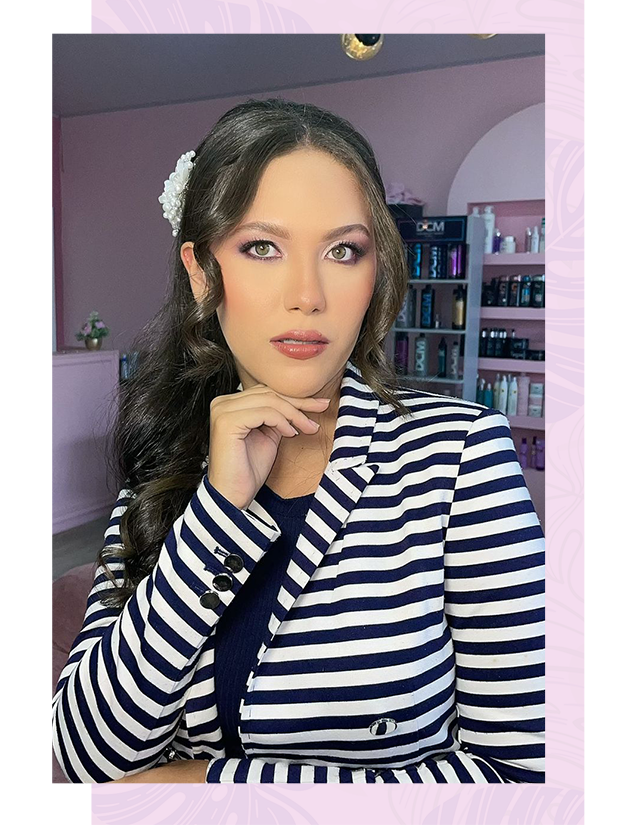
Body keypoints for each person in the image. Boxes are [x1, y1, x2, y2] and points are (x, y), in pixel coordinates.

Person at [52, 97, 545, 784]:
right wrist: (214, 510)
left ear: (374, 273)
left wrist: (213, 785)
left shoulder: (462, 457)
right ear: (202, 273)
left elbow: (521, 773)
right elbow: (84, 757)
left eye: (343, 251)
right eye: (262, 247)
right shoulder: (165, 465)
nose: (307, 295)